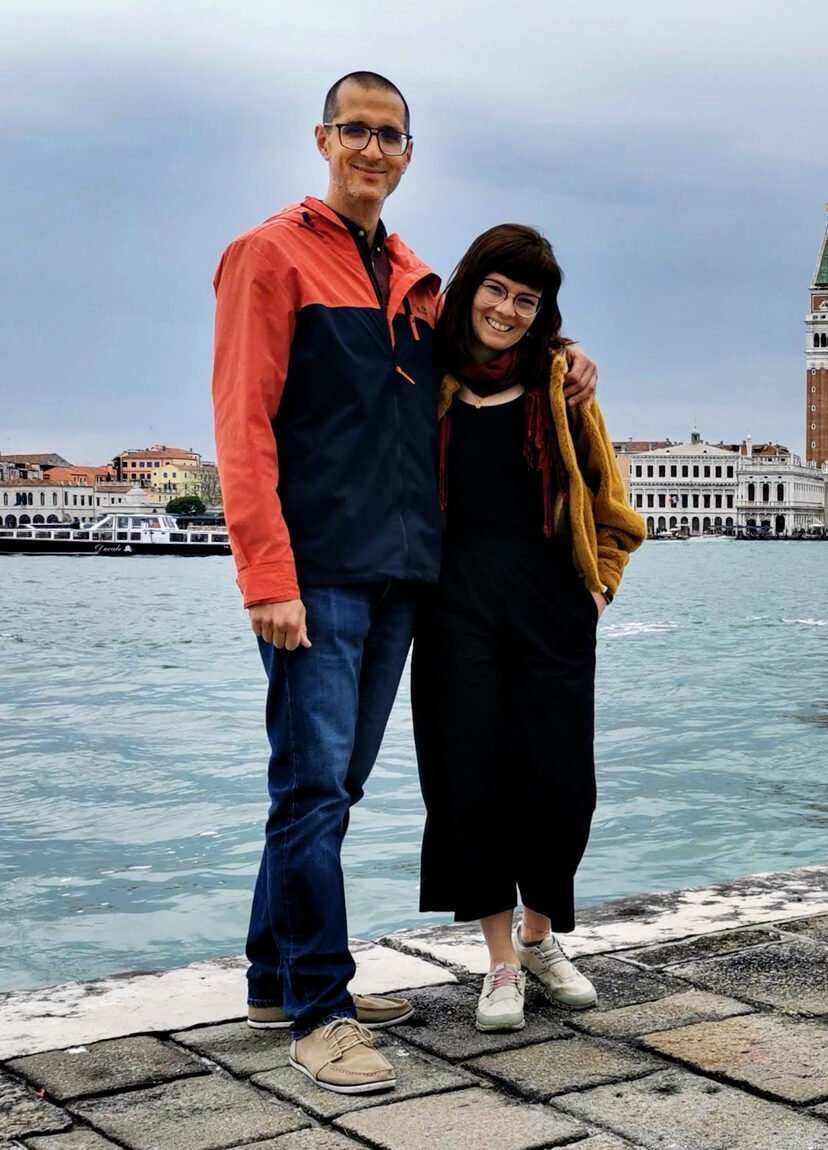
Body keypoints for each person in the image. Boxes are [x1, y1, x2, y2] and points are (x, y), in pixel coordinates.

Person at [212, 71, 597, 1094]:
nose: (372, 149)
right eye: (356, 131)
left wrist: (567, 357)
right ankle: (321, 1010)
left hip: (402, 580)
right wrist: (265, 572)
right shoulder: (267, 256)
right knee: (308, 788)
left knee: (333, 785)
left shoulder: (420, 278)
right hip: (315, 574)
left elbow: (488, 352)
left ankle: (273, 975)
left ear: (409, 153)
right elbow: (241, 427)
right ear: (323, 138)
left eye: (391, 135)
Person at [411, 223, 644, 1032]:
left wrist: (596, 593)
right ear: (470, 285)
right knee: (468, 782)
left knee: (559, 784)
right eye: (497, 290)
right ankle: (500, 966)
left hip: (551, 607)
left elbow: (613, 511)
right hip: (453, 608)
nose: (507, 310)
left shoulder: (563, 385)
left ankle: (543, 940)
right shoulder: (427, 378)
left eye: (526, 299)